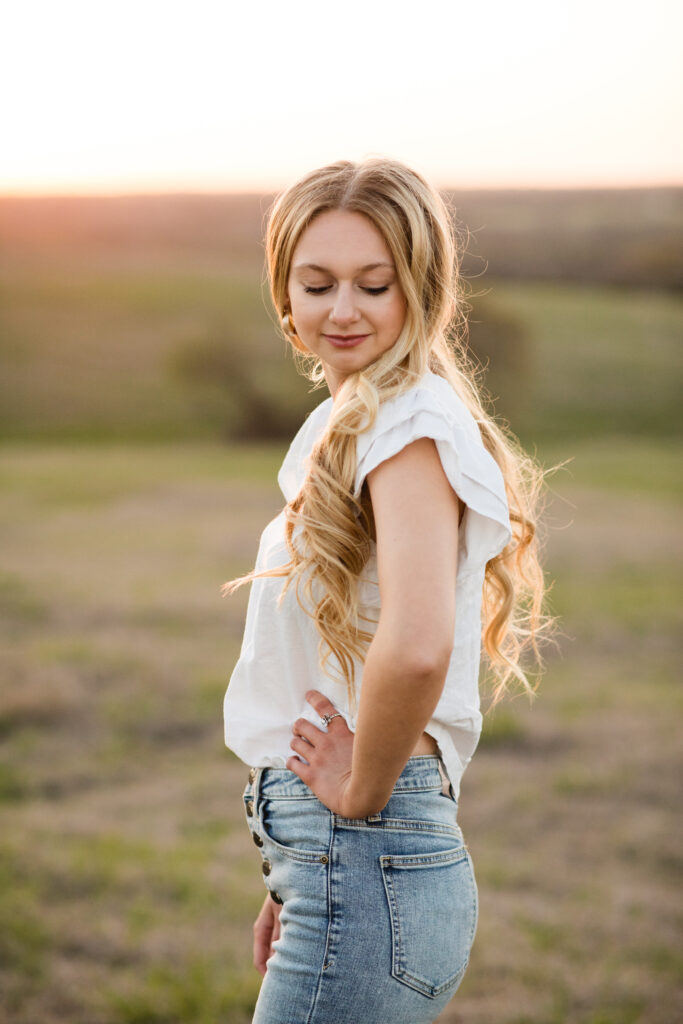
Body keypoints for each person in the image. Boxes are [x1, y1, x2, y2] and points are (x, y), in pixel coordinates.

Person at [222, 157, 552, 1024]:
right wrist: (295, 870)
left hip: (362, 858)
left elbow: (414, 646)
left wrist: (354, 805)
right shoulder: (361, 419)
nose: (342, 310)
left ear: (423, 290)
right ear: (282, 294)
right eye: (316, 282)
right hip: (346, 868)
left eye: (374, 284)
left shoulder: (404, 424)